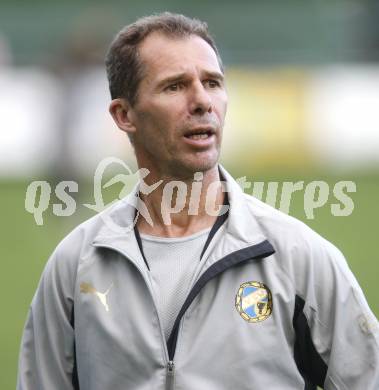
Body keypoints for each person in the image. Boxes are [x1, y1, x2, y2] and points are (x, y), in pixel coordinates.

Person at [17, 12, 379, 390]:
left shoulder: (298, 258)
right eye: (175, 87)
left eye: (212, 83)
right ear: (124, 115)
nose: (203, 101)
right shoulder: (76, 265)